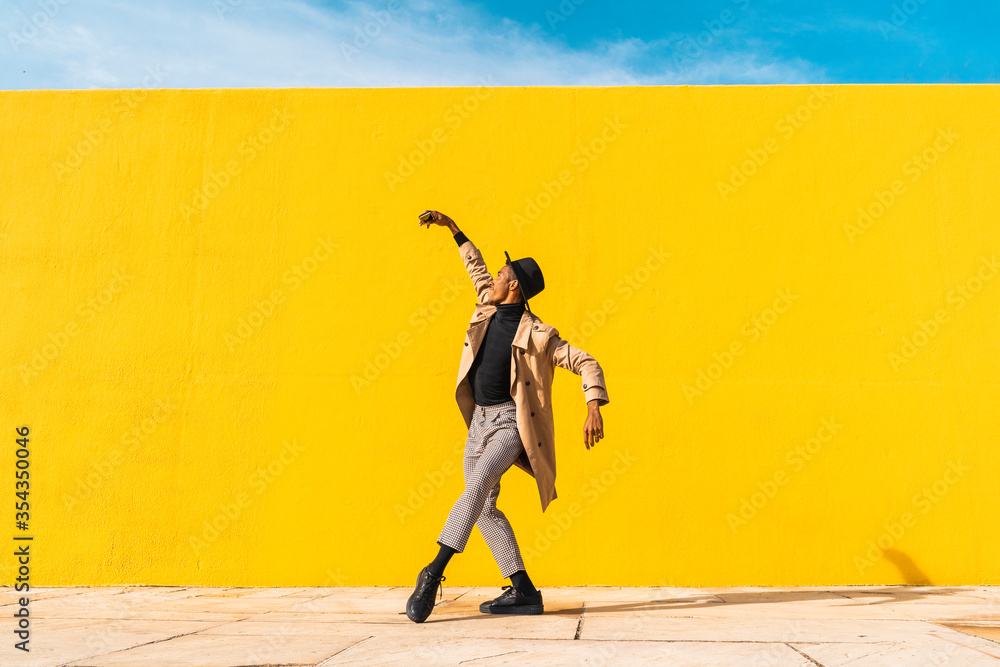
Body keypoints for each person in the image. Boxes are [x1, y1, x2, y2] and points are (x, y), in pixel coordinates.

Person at [406, 210, 610, 623]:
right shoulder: (487, 307)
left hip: (509, 425)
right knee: (483, 508)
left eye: (501, 276)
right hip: (477, 421)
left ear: (513, 285)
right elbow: (475, 268)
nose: (493, 281)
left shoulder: (540, 334)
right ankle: (523, 591)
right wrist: (453, 229)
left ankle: (432, 573)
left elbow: (586, 362)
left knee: (478, 485)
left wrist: (593, 404)